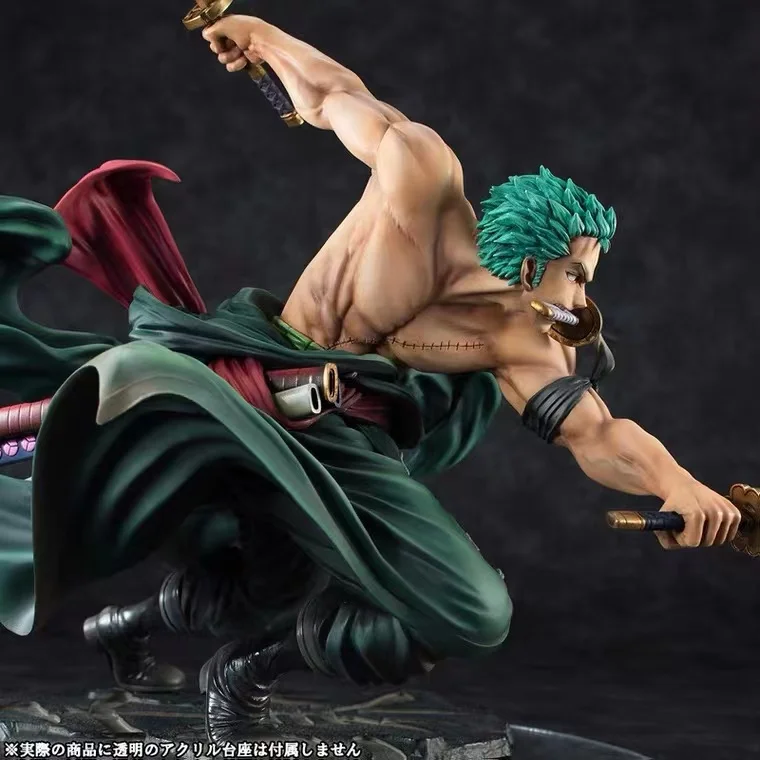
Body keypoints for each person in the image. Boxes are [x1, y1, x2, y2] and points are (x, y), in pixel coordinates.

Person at [0, 12, 740, 744]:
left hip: (341, 431)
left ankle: (221, 661)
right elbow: (335, 98)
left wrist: (675, 482)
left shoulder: (523, 341)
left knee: (440, 609)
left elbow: (595, 432)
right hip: (248, 378)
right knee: (166, 476)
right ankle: (125, 600)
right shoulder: (423, 184)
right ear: (528, 263)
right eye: (575, 275)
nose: (582, 298)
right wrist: (262, 37)